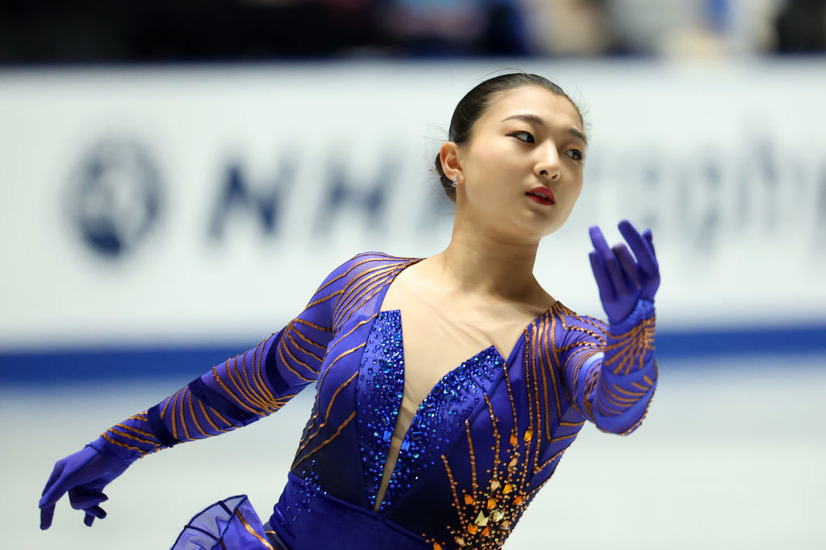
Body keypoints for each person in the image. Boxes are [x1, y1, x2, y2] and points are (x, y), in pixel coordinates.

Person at [39, 72, 660, 550]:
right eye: (526, 137)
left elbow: (618, 408)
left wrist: (634, 332)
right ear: (455, 161)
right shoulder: (365, 283)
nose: (552, 161)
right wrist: (125, 442)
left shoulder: (568, 342)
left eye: (574, 152)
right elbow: (259, 379)